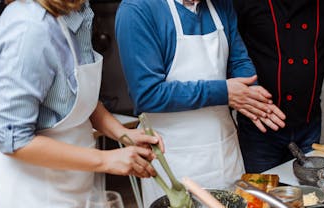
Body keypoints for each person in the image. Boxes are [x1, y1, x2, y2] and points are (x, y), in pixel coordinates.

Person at [0, 0, 164, 207]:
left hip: (70, 182)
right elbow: (13, 139)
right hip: (28, 189)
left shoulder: (76, 13)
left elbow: (80, 99)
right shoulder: (29, 28)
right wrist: (106, 160)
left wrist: (124, 134)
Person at [115, 0, 286, 206]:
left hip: (226, 154)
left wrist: (252, 96)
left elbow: (238, 60)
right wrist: (223, 92)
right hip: (174, 160)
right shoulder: (137, 10)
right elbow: (147, 94)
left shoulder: (221, 5)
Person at [233, 0, 324, 173]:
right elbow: (232, 55)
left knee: (308, 194)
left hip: (309, 123)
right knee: (262, 195)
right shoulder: (244, 3)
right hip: (260, 128)